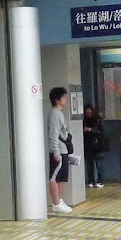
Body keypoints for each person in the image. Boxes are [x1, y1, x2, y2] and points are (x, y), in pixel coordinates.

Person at [45, 86, 75, 215]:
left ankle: (59, 200)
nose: (66, 99)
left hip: (63, 150)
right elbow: (53, 133)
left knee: (61, 177)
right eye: (64, 97)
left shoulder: (59, 113)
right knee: (54, 177)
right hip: (58, 150)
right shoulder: (54, 114)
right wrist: (55, 151)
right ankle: (56, 203)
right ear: (57, 100)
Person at [82, 104, 107, 189]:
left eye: (90, 112)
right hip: (88, 144)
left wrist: (91, 130)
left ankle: (101, 180)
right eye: (86, 113)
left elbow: (102, 132)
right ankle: (91, 180)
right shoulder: (84, 120)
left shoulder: (98, 119)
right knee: (89, 164)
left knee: (99, 164)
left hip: (97, 144)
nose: (88, 114)